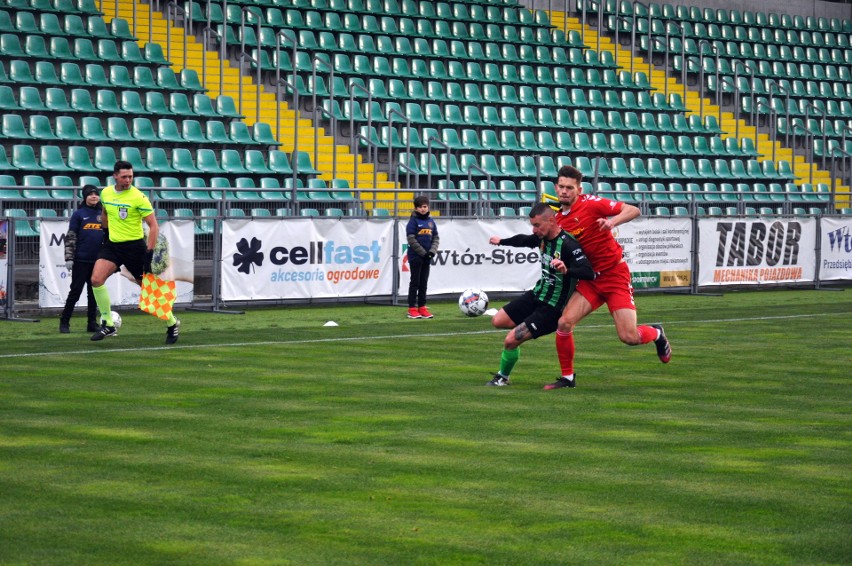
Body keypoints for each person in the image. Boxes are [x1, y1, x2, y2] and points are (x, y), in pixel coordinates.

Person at [548, 165, 671, 390]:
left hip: (615, 276)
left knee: (629, 336)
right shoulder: (558, 219)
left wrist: (611, 222)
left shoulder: (592, 204)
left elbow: (633, 210)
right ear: (556, 188)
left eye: (570, 188)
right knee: (564, 323)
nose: (565, 191)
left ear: (579, 189)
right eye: (562, 187)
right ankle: (567, 378)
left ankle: (656, 333)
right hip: (590, 280)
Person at [486, 202, 595, 386]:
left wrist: (567, 269)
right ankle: (525, 330)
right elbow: (524, 240)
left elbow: (588, 272)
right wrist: (502, 241)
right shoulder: (541, 238)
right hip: (537, 295)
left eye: (537, 225)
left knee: (511, 340)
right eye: (533, 225)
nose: (534, 230)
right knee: (498, 320)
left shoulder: (568, 244)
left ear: (551, 221)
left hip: (552, 308)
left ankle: (502, 377)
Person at [89, 160, 180, 344]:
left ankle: (172, 322)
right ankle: (108, 323)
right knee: (96, 280)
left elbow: (153, 226)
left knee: (149, 291)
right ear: (115, 176)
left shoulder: (138, 197)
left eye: (130, 176)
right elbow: (105, 213)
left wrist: (149, 253)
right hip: (113, 246)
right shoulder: (106, 193)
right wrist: (105, 232)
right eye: (124, 176)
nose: (128, 180)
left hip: (134, 248)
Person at [59, 184, 103, 333]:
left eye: (96, 194)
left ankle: (92, 323)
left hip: (98, 261)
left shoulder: (104, 213)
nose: (94, 196)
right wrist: (69, 258)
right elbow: (71, 237)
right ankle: (64, 322)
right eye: (90, 194)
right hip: (81, 260)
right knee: (75, 292)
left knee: (94, 294)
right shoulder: (79, 214)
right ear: (85, 197)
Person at [405, 195, 439, 319]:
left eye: (425, 206)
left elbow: (435, 237)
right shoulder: (413, 221)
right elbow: (411, 239)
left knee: (424, 282)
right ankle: (412, 308)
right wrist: (423, 253)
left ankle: (422, 307)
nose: (423, 209)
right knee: (415, 282)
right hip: (416, 257)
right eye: (420, 207)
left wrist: (432, 252)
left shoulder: (431, 221)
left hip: (427, 257)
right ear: (416, 208)